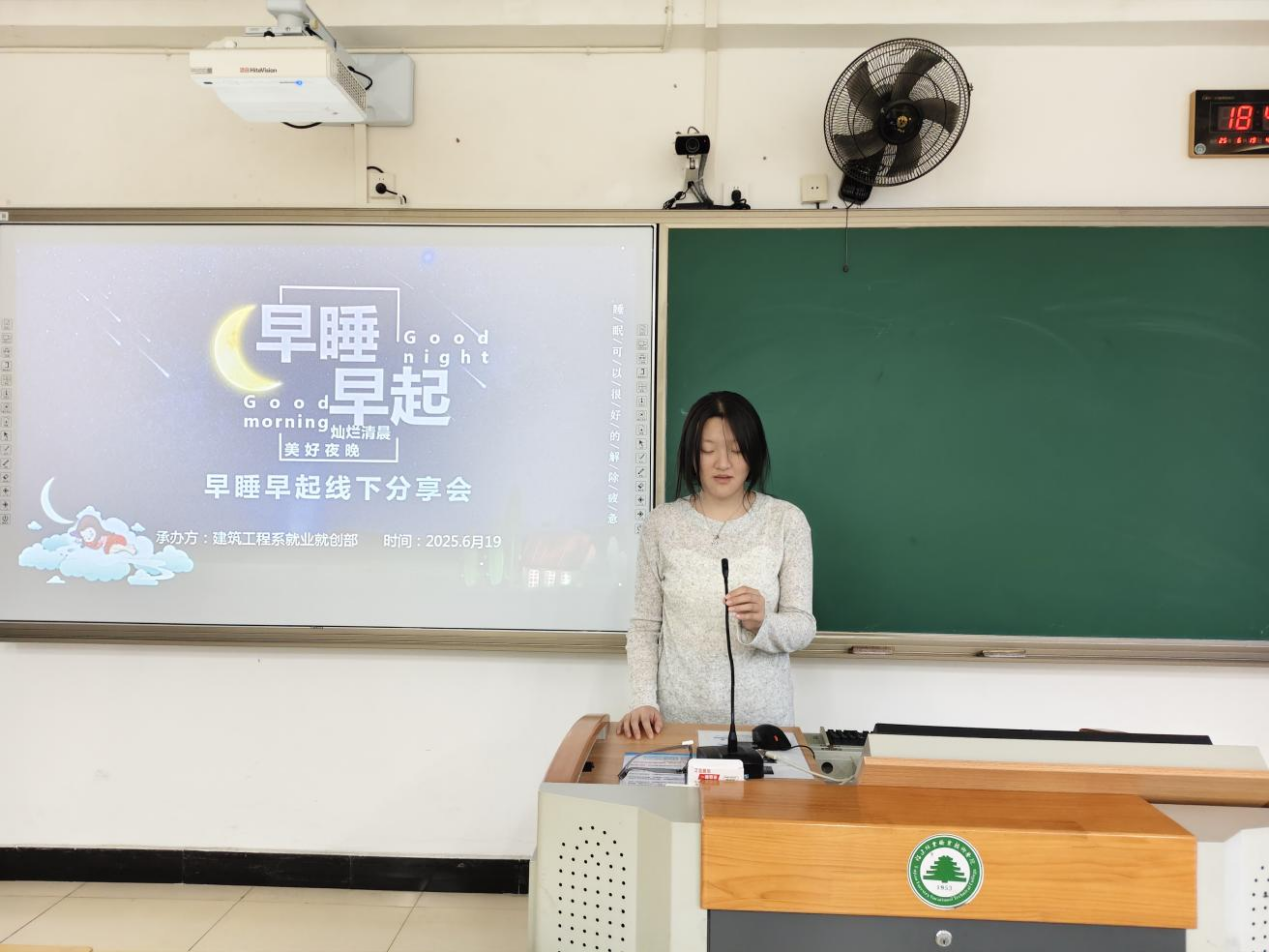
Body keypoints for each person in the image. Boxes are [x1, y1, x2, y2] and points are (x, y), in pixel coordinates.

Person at [617, 391, 815, 739]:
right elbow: (645, 627)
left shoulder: (786, 521)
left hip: (763, 727)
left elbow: (803, 627)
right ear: (692, 456)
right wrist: (643, 700)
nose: (723, 463)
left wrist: (763, 622)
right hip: (677, 726)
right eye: (708, 450)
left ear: (753, 453)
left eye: (736, 450)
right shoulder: (662, 525)